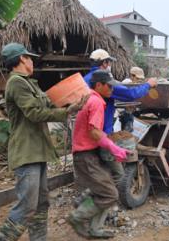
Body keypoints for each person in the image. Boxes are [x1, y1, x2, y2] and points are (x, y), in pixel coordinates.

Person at [0, 43, 85, 241]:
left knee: (40, 203)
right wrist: (68, 111)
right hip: (26, 152)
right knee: (27, 206)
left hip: (37, 151)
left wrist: (71, 102)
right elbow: (35, 113)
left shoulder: (29, 83)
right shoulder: (16, 83)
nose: (31, 60)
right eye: (29, 58)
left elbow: (48, 103)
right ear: (21, 59)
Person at [67, 70, 129, 239]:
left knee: (102, 191)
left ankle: (94, 227)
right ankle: (78, 216)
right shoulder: (96, 102)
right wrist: (113, 147)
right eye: (109, 86)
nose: (112, 89)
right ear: (99, 85)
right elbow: (94, 132)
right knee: (110, 194)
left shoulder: (88, 97)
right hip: (86, 155)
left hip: (87, 153)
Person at [84, 49, 157, 184]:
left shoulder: (85, 79)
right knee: (117, 173)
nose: (109, 65)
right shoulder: (104, 81)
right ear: (105, 63)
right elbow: (131, 94)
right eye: (109, 62)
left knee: (96, 170)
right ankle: (112, 196)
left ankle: (98, 194)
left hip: (86, 133)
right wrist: (148, 84)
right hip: (101, 132)